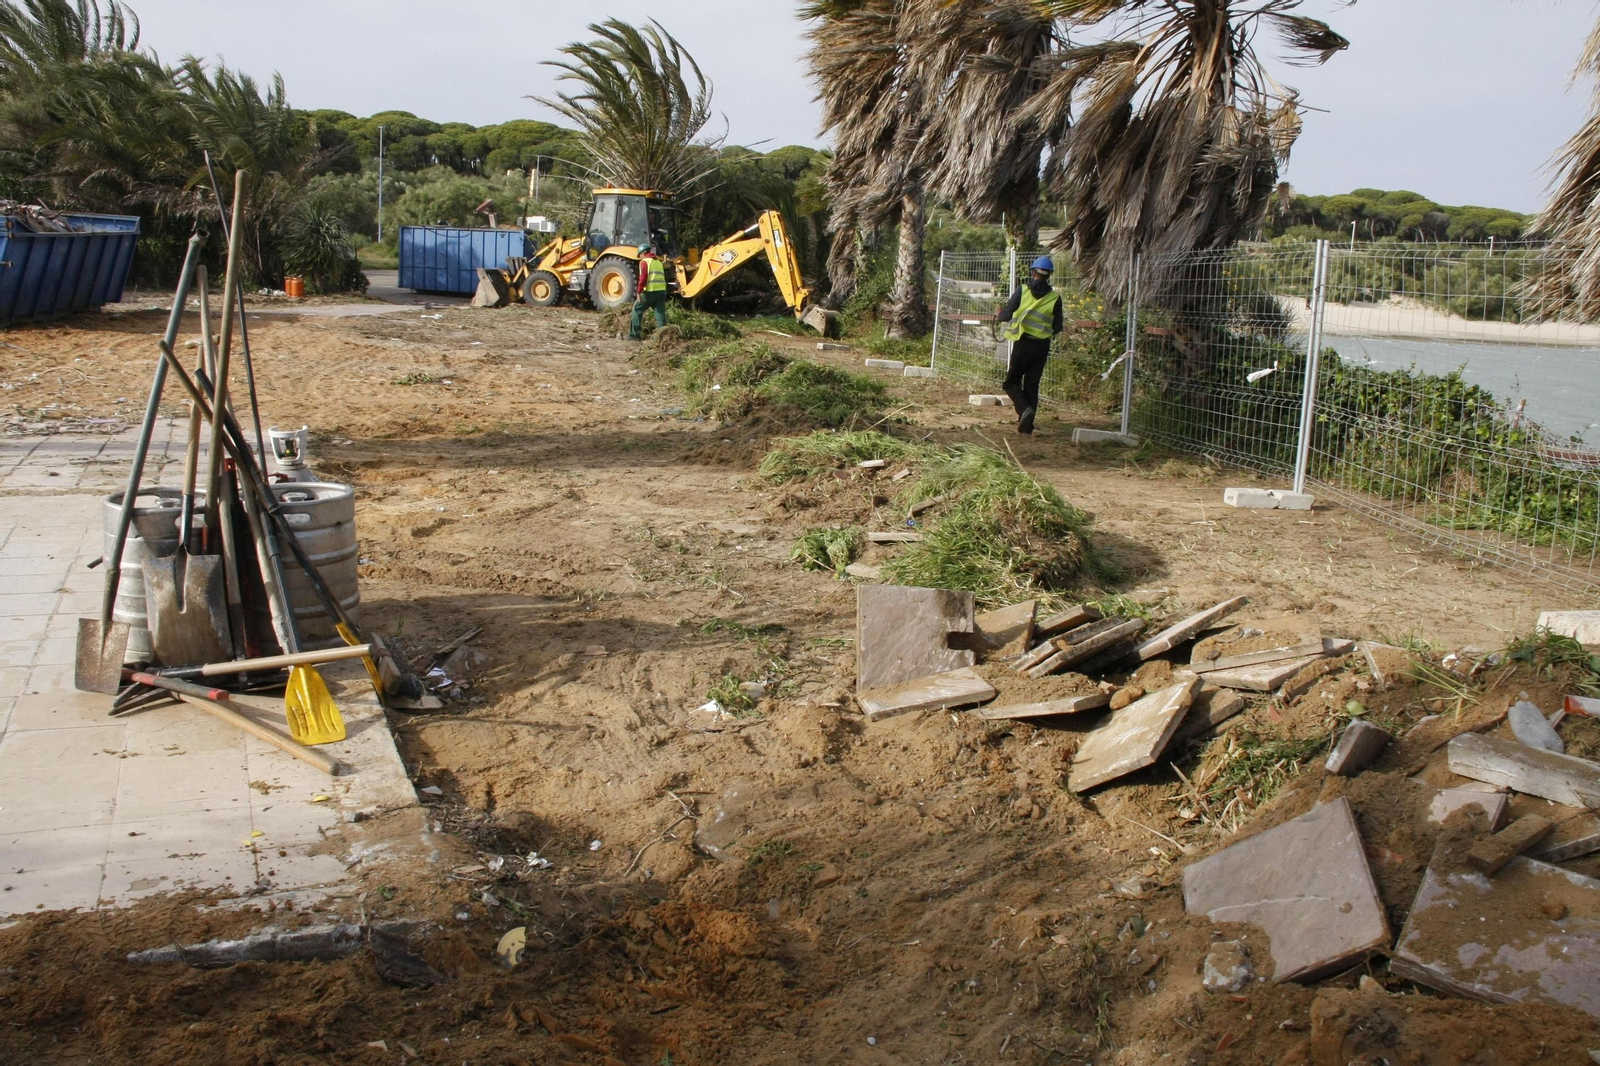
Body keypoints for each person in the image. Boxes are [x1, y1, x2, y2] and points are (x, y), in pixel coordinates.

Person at [999, 255, 1063, 434]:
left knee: (1011, 383)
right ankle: (1027, 424)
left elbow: (1006, 315)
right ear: (1049, 274)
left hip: (1023, 344)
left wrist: (998, 315)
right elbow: (1057, 326)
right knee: (1032, 384)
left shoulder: (1023, 290)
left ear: (1033, 272)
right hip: (1042, 346)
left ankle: (1023, 409)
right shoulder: (1054, 298)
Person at [628, 244, 670, 340]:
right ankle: (663, 337)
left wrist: (638, 292)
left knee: (637, 309)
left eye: (640, 255)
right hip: (661, 292)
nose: (640, 257)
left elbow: (643, 278)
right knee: (660, 314)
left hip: (649, 292)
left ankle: (634, 335)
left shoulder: (644, 262)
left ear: (643, 253)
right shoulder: (658, 262)